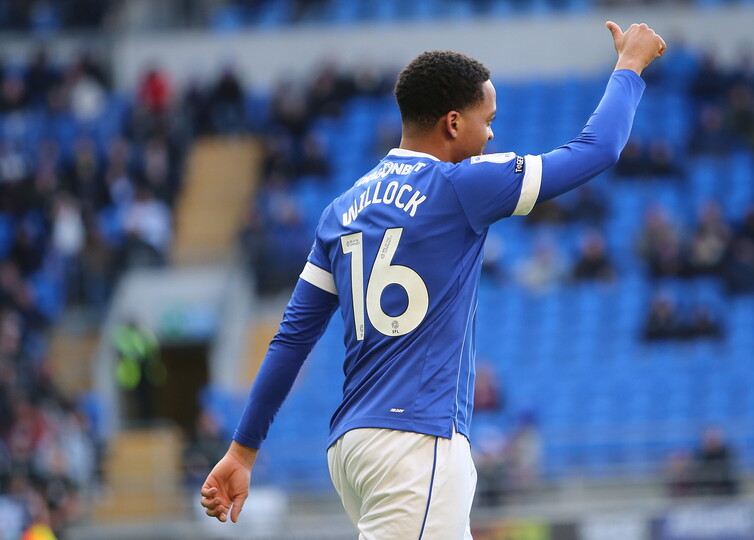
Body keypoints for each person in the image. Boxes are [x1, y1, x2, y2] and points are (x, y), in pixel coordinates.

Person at [200, 21, 666, 538]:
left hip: (353, 446)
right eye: (486, 120)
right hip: (415, 442)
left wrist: (243, 449)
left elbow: (292, 337)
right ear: (452, 122)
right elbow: (596, 151)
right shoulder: (462, 185)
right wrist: (629, 67)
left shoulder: (341, 210)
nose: (491, 134)